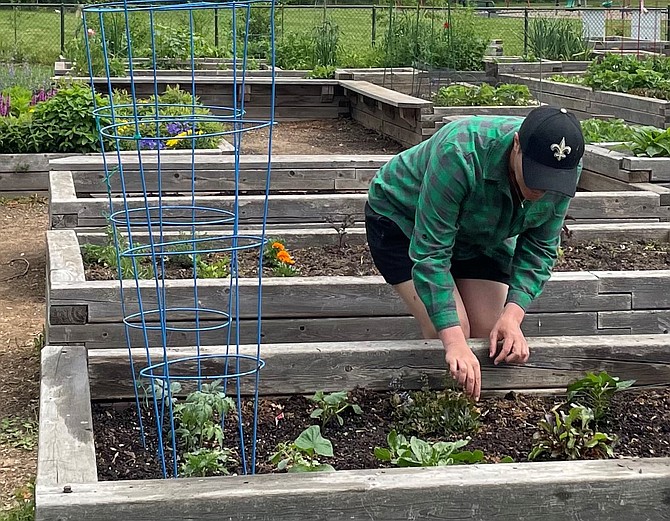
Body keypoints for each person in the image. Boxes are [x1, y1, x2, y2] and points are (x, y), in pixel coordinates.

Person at [365, 105, 585, 402]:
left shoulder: (563, 168)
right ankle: (441, 406)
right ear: (517, 144)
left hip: (480, 231)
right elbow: (431, 252)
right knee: (453, 329)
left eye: (550, 181)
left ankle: (472, 405)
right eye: (535, 175)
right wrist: (454, 341)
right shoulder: (459, 153)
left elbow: (540, 247)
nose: (541, 190)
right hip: (402, 219)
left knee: (489, 336)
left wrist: (513, 314)